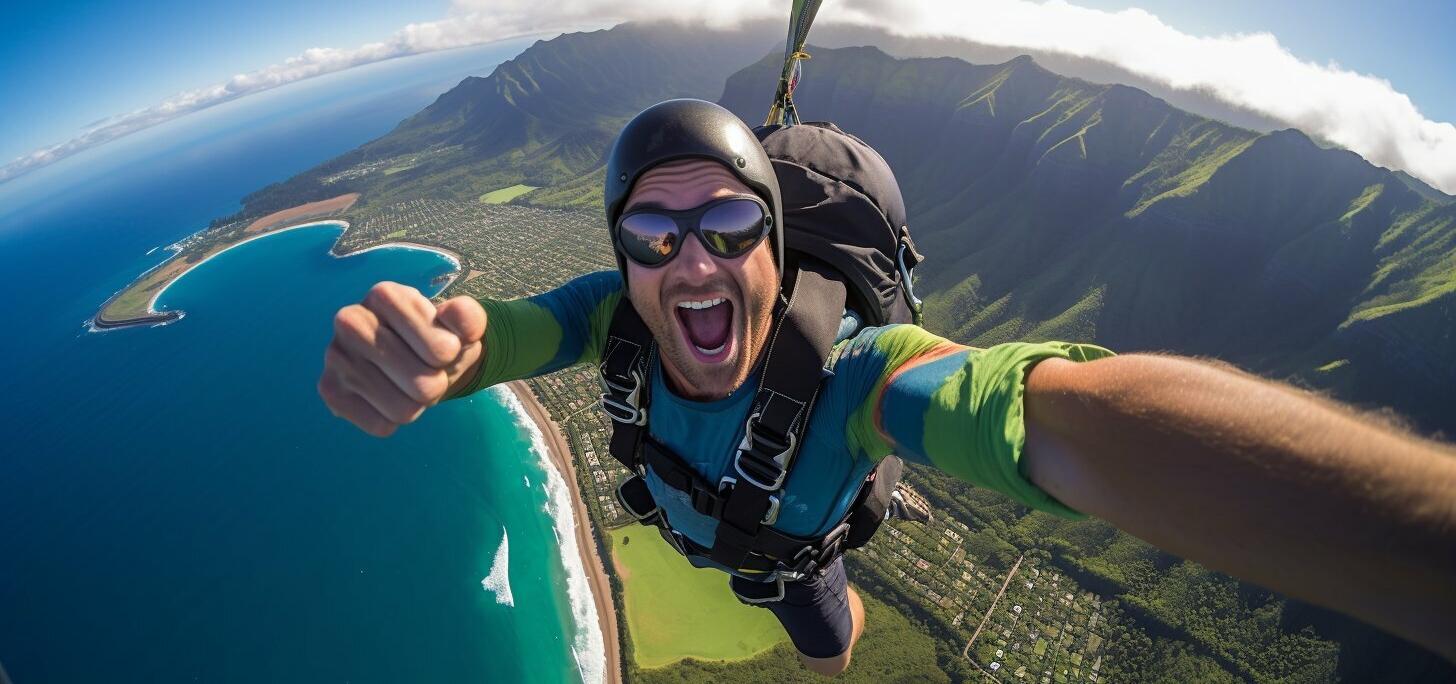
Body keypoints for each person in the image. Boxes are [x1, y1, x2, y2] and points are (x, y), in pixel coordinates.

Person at [317, 99, 1456, 675]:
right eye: (653, 234)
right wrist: (441, 352)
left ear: (772, 242)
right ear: (621, 257)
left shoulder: (860, 377)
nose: (693, 261)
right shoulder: (610, 316)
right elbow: (508, 334)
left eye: (726, 224)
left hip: (796, 554)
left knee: (829, 643)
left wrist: (1417, 547)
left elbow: (1050, 417)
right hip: (705, 524)